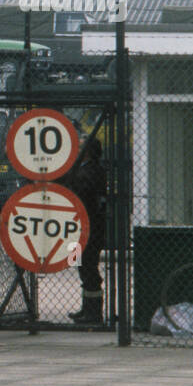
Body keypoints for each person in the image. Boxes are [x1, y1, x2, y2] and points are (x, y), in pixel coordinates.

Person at [65, 137, 107, 324]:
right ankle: (87, 308)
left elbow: (83, 195)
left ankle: (94, 312)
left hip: (88, 229)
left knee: (89, 267)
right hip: (80, 228)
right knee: (81, 265)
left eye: (80, 147)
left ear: (87, 151)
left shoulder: (89, 172)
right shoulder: (85, 170)